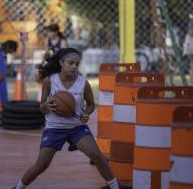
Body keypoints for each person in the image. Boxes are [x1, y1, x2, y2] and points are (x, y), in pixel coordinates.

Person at [12, 48, 121, 189]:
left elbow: (92, 105)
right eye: (71, 63)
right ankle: (18, 187)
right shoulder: (49, 81)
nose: (74, 66)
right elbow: (42, 108)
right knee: (41, 164)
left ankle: (114, 186)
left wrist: (86, 113)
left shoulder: (83, 83)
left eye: (77, 64)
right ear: (62, 62)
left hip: (76, 127)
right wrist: (46, 106)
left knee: (97, 156)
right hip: (55, 128)